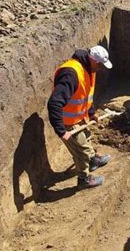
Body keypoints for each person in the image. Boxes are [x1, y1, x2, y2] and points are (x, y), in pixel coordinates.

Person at [47, 45, 112, 189]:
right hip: (68, 123)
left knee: (86, 138)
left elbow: (85, 94)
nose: (100, 68)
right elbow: (54, 103)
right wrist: (61, 130)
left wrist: (91, 113)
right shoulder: (71, 74)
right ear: (93, 60)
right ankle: (84, 179)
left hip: (79, 118)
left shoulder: (88, 69)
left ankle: (93, 159)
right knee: (81, 152)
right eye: (100, 65)